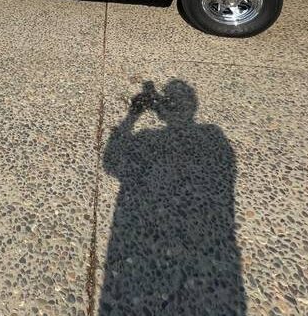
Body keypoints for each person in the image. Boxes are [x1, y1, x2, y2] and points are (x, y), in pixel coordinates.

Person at [100, 80, 245, 315]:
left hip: (144, 239)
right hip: (207, 251)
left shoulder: (148, 138)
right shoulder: (215, 137)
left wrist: (132, 116)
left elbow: (111, 162)